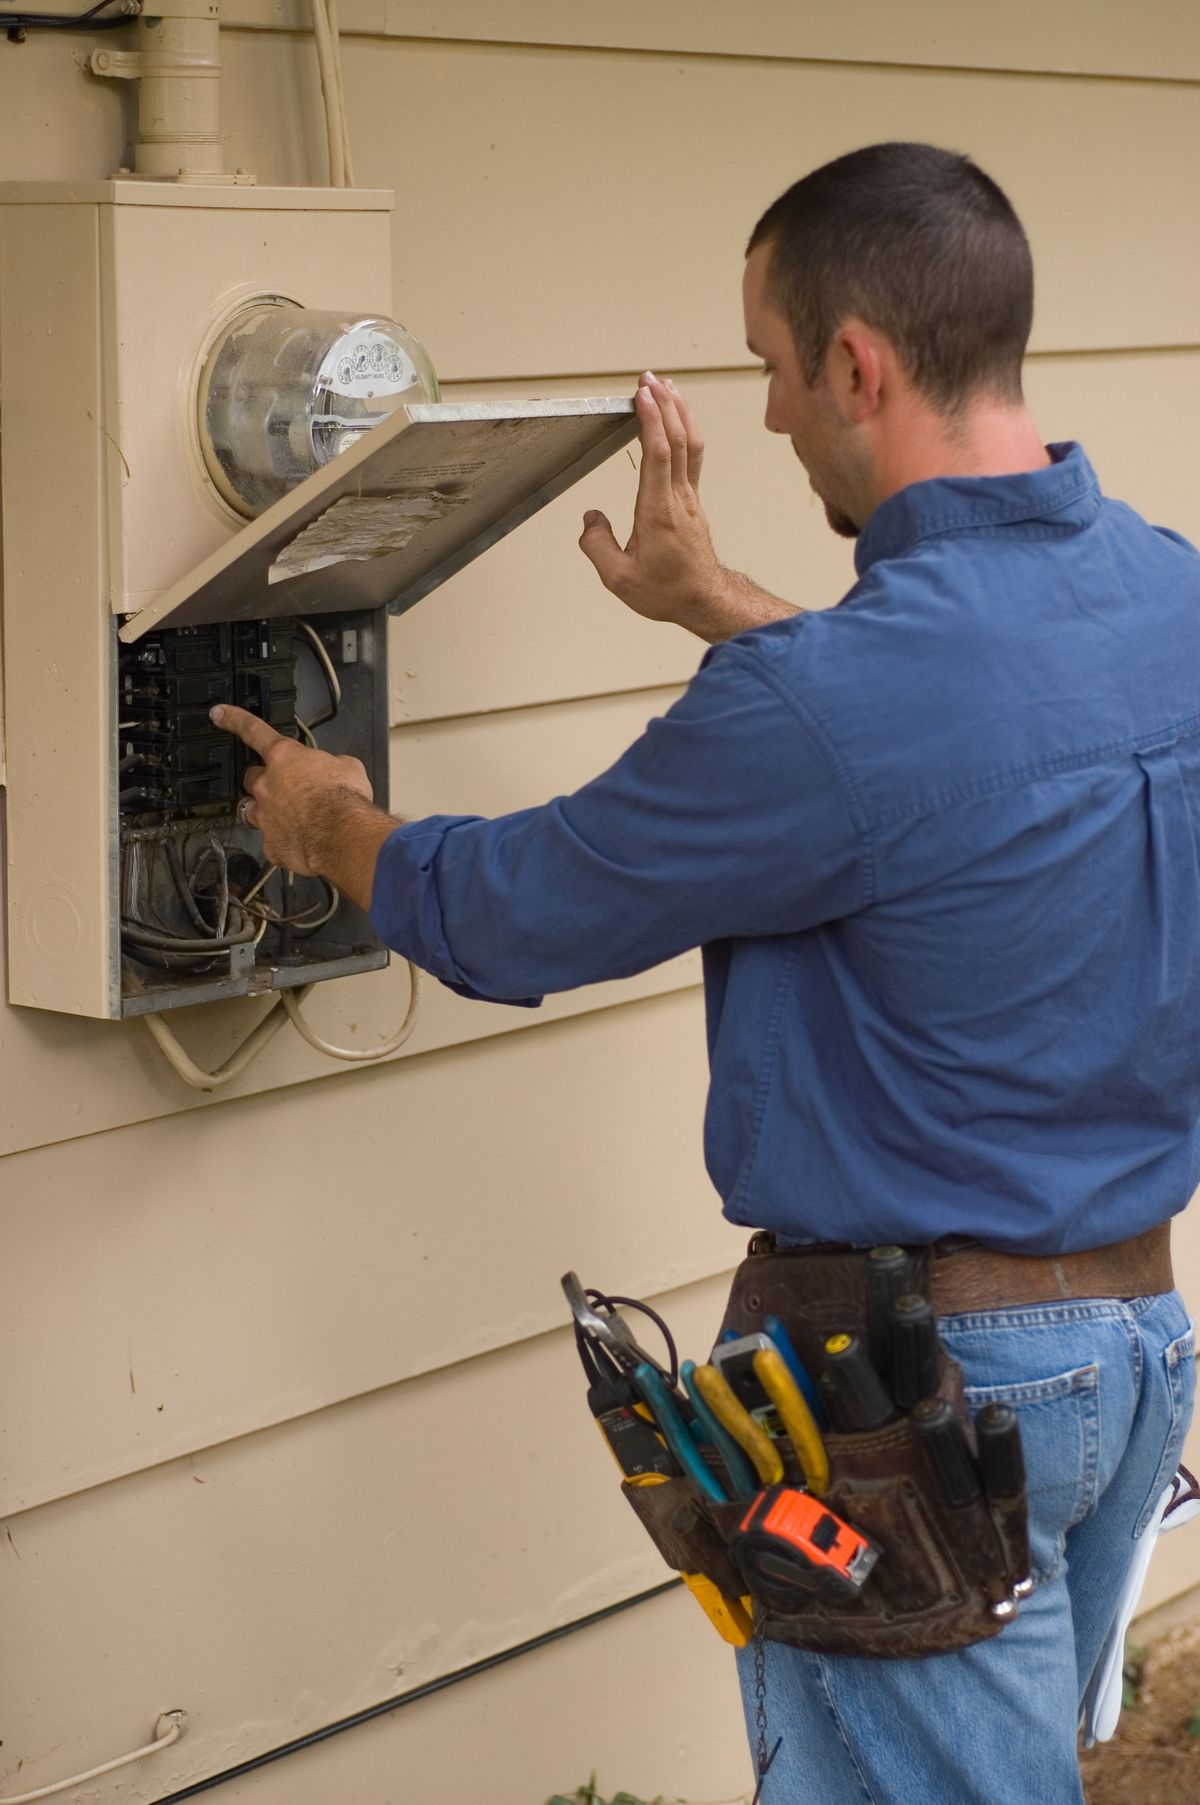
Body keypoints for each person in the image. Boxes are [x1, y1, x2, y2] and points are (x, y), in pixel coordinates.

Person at [212, 143, 1199, 1804]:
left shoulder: (825, 709)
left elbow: (519, 908)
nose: (765, 419)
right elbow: (965, 753)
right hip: (1130, 1350)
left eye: (769, 367)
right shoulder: (1167, 593)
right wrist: (731, 609)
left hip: (919, 1401)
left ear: (859, 364)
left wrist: (335, 824)